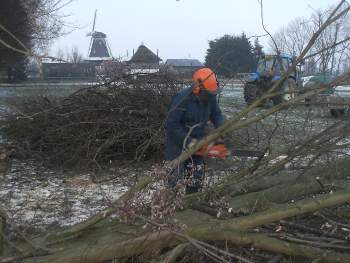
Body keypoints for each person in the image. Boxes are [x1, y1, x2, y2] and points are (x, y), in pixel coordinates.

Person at [165, 68, 224, 193]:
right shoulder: (182, 99)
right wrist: (189, 142)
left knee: (196, 178)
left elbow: (217, 114)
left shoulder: (210, 97)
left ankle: (191, 202)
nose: (210, 97)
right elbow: (171, 124)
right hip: (178, 145)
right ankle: (169, 203)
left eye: (212, 94)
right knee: (174, 179)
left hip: (199, 142)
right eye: (208, 94)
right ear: (198, 88)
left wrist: (221, 129)